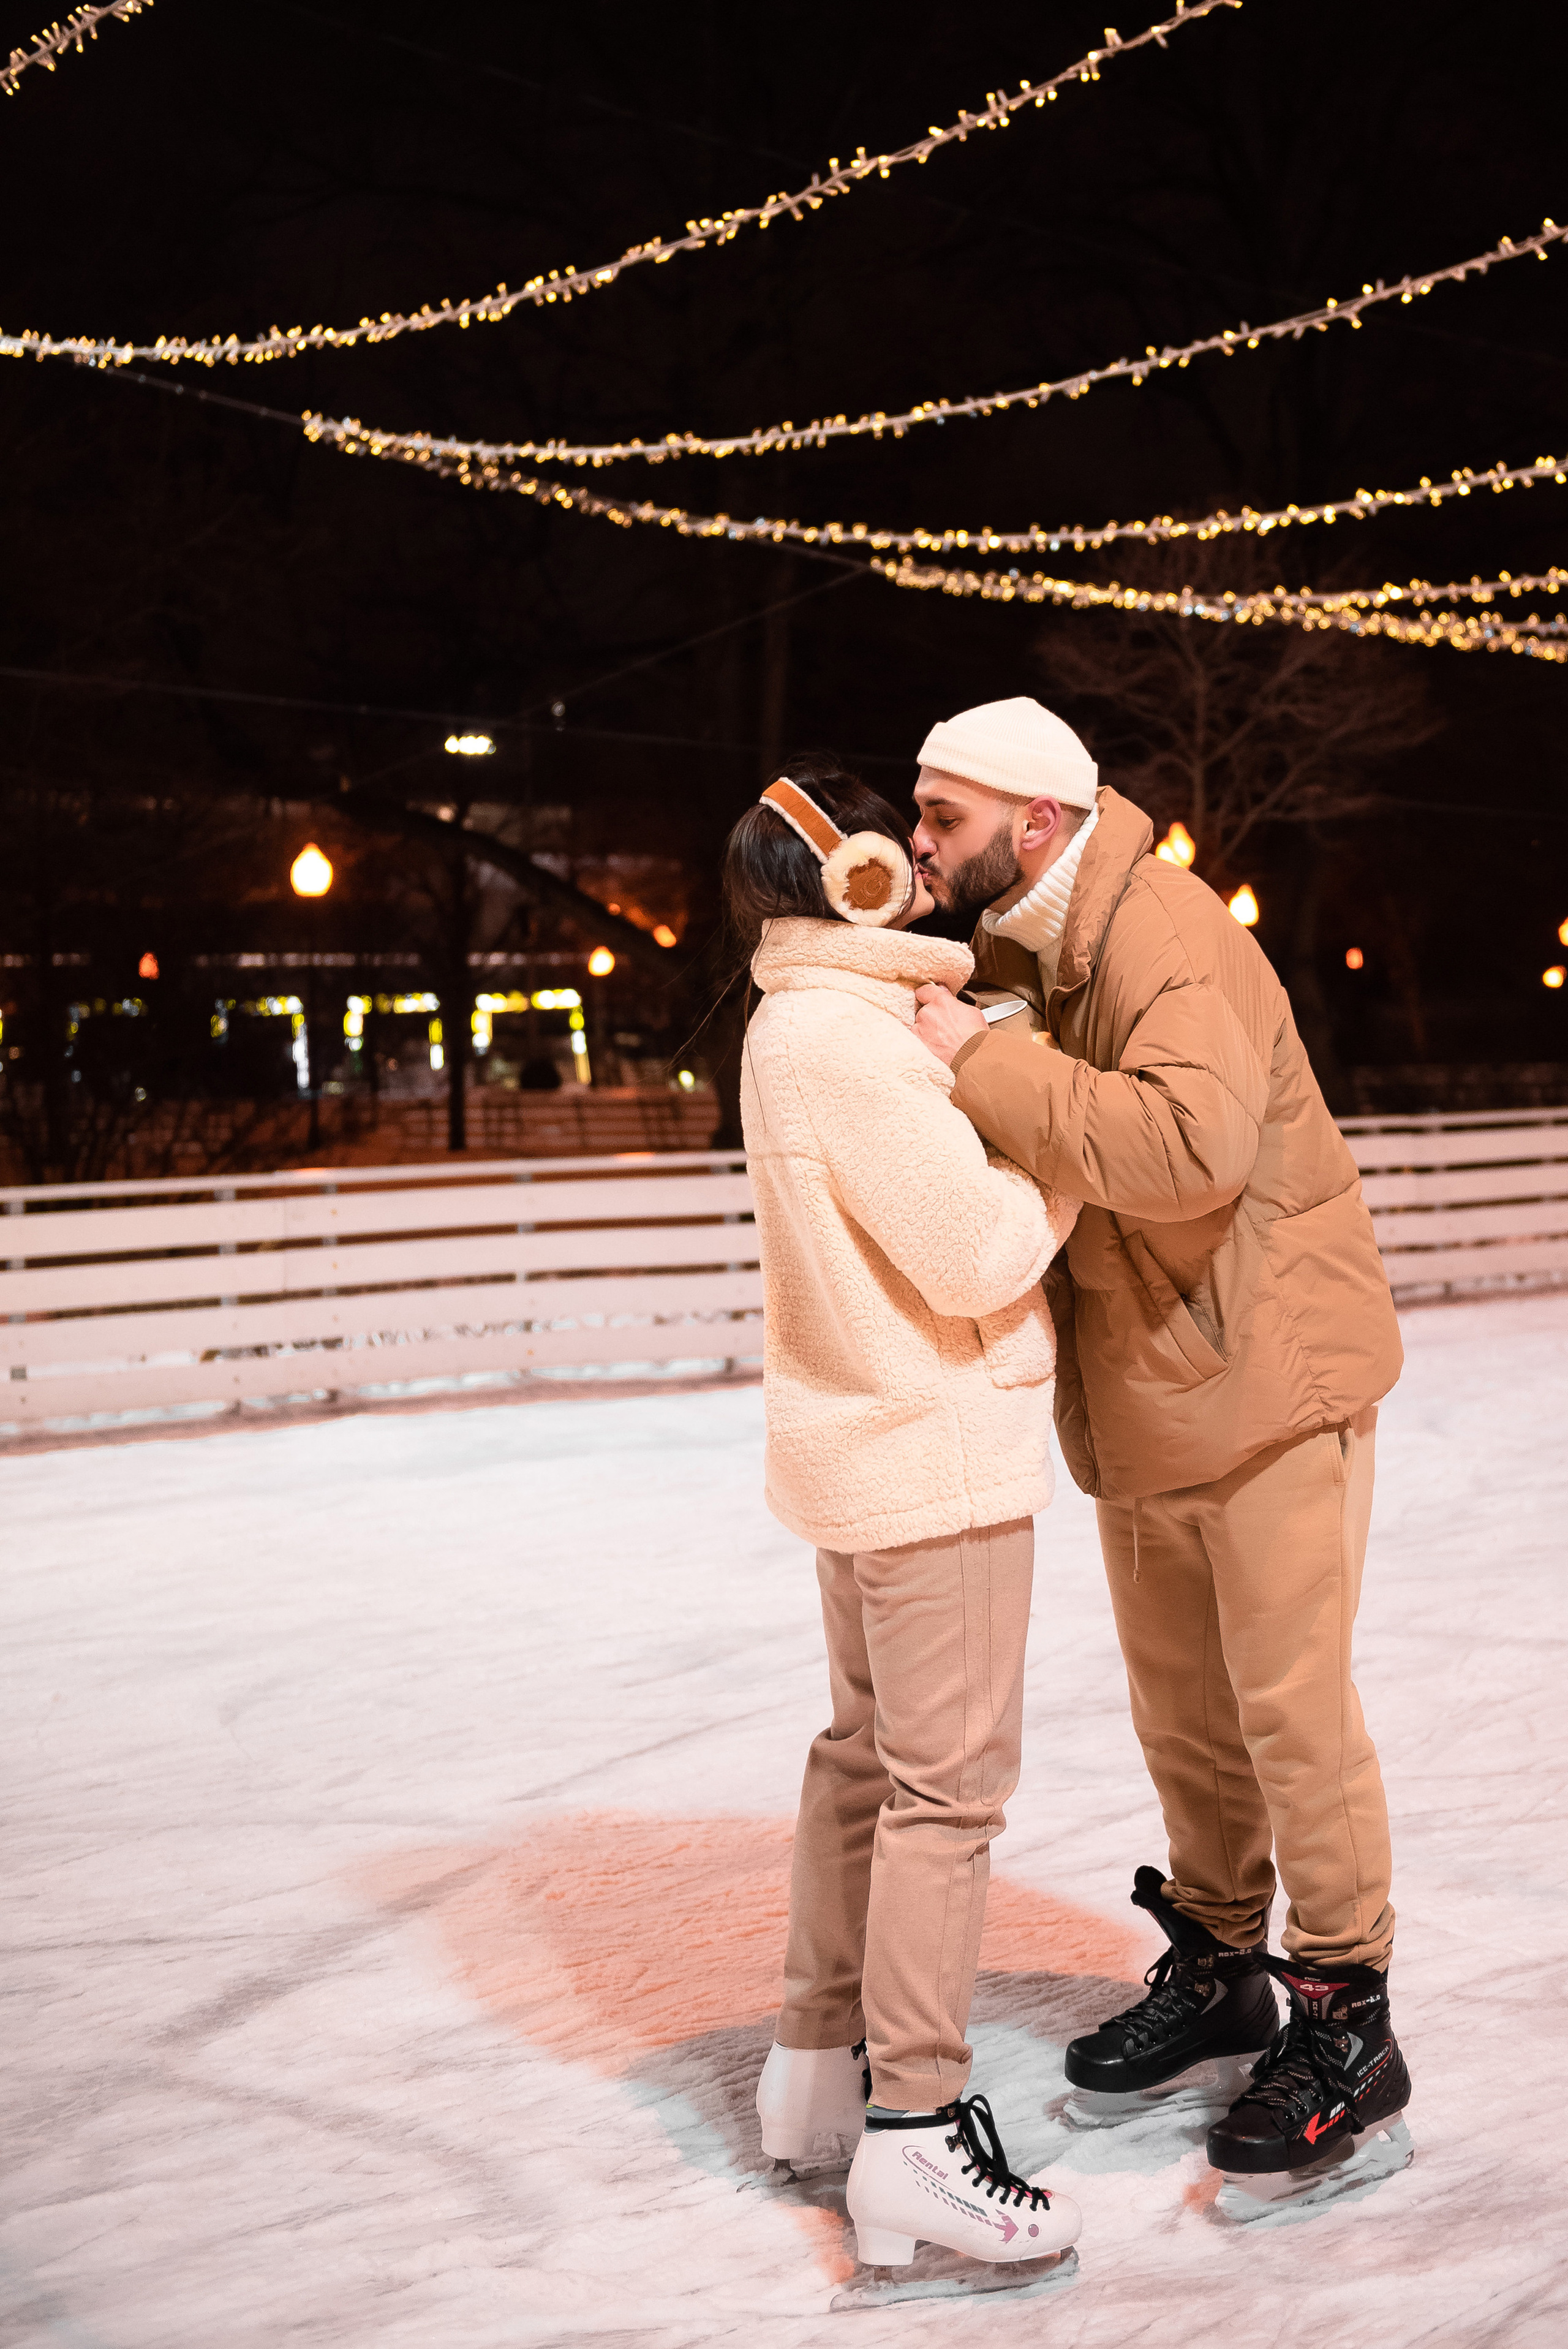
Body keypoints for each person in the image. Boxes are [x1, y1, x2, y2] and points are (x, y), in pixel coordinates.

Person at [908, 697, 1412, 2193]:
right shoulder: (1016, 943)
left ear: (1036, 823)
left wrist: (975, 1060)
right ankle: (1222, 1966)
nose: (921, 843)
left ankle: (1344, 2013)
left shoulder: (1160, 935)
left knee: (1288, 1714)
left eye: (941, 817)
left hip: (1265, 1374)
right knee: (1185, 1717)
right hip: (1146, 1385)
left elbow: (1191, 1156)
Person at [727, 755, 1083, 2272]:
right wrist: (1052, 1145)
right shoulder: (844, 1043)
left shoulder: (808, 1021)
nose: (921, 863)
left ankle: (814, 2074)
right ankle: (916, 2136)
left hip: (862, 1448)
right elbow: (979, 1248)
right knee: (944, 1793)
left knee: (865, 1762)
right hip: (930, 1452)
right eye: (898, 844)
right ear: (855, 877)